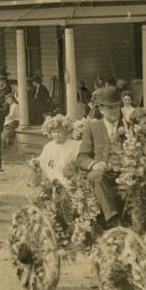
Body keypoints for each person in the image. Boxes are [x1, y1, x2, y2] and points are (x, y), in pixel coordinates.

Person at [76, 87, 126, 228]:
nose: (114, 111)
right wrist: (95, 164)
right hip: (102, 173)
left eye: (116, 107)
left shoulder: (128, 127)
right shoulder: (93, 128)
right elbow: (81, 158)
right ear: (102, 109)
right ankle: (113, 219)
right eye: (110, 108)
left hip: (125, 171)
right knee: (97, 176)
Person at [34, 115, 80, 185]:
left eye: (59, 132)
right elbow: (43, 160)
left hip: (69, 177)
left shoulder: (74, 145)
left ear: (65, 132)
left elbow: (79, 161)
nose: (56, 134)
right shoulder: (48, 146)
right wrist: (36, 161)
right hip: (51, 177)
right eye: (54, 132)